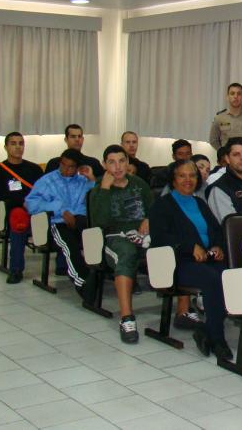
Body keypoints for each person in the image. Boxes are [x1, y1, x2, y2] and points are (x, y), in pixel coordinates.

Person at [150, 159, 232, 360]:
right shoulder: (162, 205)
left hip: (205, 259)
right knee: (213, 279)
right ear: (173, 180)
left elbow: (216, 231)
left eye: (192, 175)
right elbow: (160, 237)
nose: (188, 180)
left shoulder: (199, 203)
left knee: (230, 276)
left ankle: (207, 330)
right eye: (182, 175)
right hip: (177, 263)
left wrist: (216, 246)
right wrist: (189, 246)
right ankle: (217, 338)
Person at [88, 145, 154, 344]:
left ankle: (184, 310)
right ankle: (127, 318)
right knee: (125, 254)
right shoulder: (99, 188)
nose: (117, 167)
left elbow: (153, 209)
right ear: (104, 165)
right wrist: (106, 190)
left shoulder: (138, 184)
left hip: (143, 234)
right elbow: (99, 222)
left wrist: (148, 219)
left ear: (128, 162)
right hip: (114, 237)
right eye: (111, 162)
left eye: (121, 161)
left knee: (172, 246)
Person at [25, 149, 96, 296]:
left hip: (80, 222)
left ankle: (97, 276)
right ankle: (82, 282)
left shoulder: (83, 181)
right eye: (63, 164)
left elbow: (95, 199)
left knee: (95, 236)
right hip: (57, 223)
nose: (65, 169)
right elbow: (30, 203)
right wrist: (60, 210)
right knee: (69, 244)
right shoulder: (47, 180)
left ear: (77, 168)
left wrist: (91, 178)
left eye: (71, 166)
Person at [0, 132, 43, 284]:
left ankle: (62, 266)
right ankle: (16, 270)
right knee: (19, 221)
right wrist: (23, 202)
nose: (18, 147)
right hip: (13, 212)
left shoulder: (34, 169)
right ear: (6, 147)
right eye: (13, 143)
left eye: (21, 143)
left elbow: (42, 191)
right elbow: (0, 196)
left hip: (35, 209)